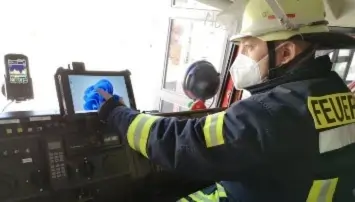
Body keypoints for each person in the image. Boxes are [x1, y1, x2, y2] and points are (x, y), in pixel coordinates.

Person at [96, 0, 355, 201]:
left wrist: (117, 112)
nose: (239, 56)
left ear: (285, 52)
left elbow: (184, 143)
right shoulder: (337, 92)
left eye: (249, 47)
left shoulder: (270, 111)